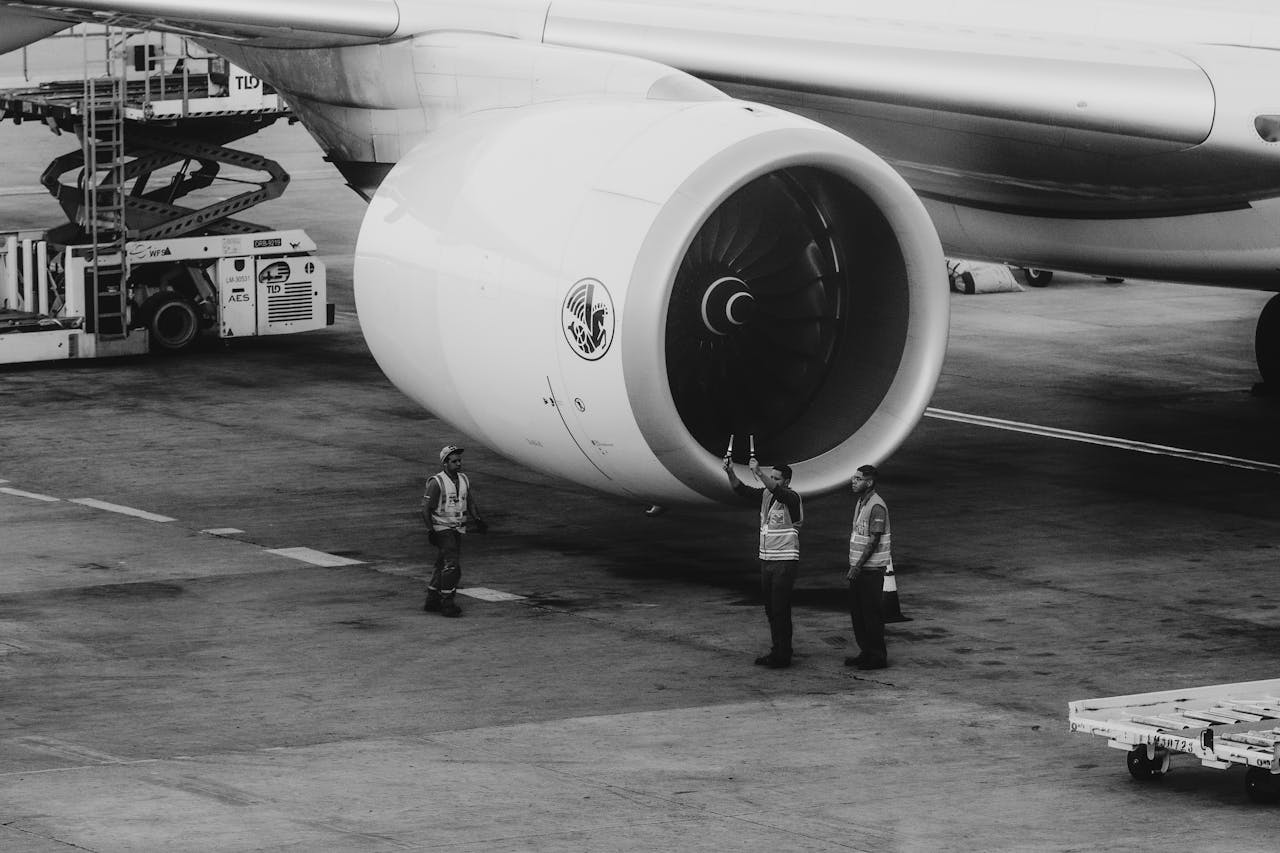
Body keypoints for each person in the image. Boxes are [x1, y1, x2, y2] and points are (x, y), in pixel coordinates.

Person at [724, 455, 804, 669]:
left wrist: (759, 473)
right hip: (767, 560)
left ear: (786, 482)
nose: (774, 481)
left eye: (778, 479)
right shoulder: (766, 495)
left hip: (785, 561)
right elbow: (741, 490)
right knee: (771, 608)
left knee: (780, 608)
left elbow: (778, 492)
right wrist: (730, 472)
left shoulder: (791, 498)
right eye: (773, 477)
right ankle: (779, 648)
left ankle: (782, 654)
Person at [422, 444, 487, 617]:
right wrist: (431, 531)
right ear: (445, 463)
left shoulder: (464, 479)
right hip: (443, 528)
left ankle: (432, 598)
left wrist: (478, 519)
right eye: (454, 461)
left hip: (457, 528)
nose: (458, 464)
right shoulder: (436, 482)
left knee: (442, 564)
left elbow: (470, 501)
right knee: (452, 566)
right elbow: (425, 509)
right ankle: (447, 603)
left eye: (459, 460)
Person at [847, 464, 891, 669]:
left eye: (858, 478)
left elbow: (874, 539)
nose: (853, 481)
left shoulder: (876, 506)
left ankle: (877, 656)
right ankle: (866, 651)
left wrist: (857, 566)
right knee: (859, 614)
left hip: (871, 570)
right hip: (860, 569)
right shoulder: (861, 503)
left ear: (869, 482)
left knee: (871, 614)